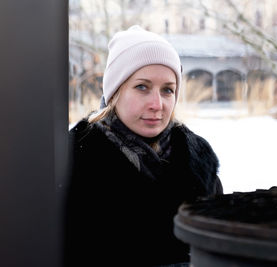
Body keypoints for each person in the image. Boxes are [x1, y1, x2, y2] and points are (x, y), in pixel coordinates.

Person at [65, 25, 223, 267]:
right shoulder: (74, 159)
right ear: (116, 91)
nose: (157, 104)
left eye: (168, 90)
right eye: (142, 87)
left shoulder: (199, 164)